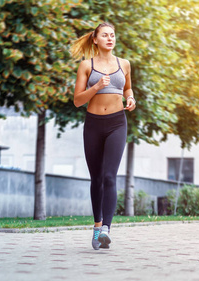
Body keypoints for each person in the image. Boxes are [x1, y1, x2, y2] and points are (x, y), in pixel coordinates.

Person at [70, 22, 136, 250]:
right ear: (96, 39)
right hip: (94, 125)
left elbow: (127, 88)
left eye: (113, 35)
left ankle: (106, 229)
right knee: (96, 178)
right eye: (105, 35)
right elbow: (78, 100)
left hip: (117, 123)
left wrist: (130, 98)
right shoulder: (86, 66)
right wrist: (97, 86)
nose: (110, 38)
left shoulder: (124, 64)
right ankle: (97, 227)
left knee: (109, 176)